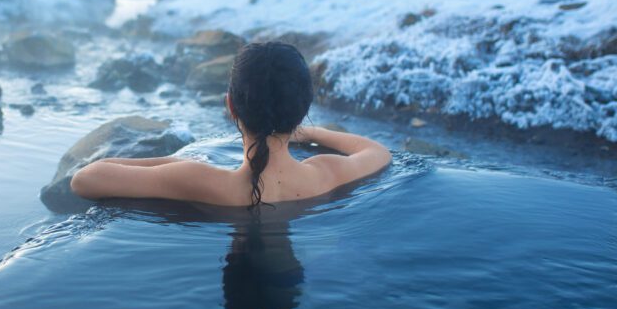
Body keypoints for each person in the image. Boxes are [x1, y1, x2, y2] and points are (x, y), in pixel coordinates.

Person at [70, 41, 392, 208]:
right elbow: (377, 152)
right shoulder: (326, 173)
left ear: (230, 106)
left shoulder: (198, 179)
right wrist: (305, 132)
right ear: (304, 107)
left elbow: (85, 179)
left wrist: (173, 162)